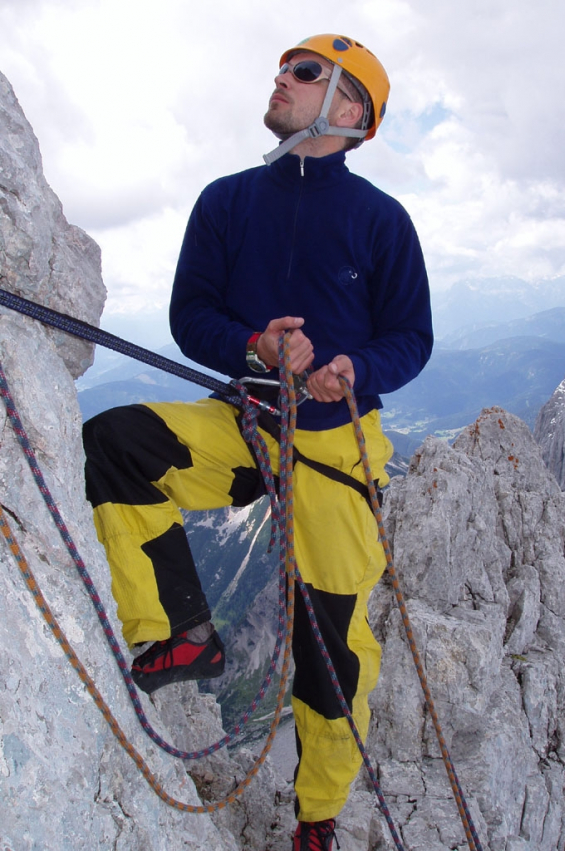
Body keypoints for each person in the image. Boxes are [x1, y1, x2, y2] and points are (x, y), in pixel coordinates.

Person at [83, 33, 433, 851]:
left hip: (337, 442)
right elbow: (190, 315)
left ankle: (318, 816)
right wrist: (256, 346)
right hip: (244, 419)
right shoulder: (226, 200)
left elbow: (411, 337)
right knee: (118, 442)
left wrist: (355, 366)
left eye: (306, 73)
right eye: (285, 67)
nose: (282, 78)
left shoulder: (382, 221)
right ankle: (180, 632)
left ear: (350, 110)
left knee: (333, 647)